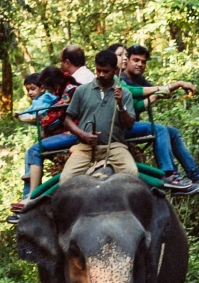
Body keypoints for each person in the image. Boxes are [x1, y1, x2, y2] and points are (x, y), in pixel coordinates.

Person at [122, 43, 199, 192]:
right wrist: (164, 91)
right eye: (136, 60)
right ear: (127, 61)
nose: (140, 64)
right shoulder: (122, 80)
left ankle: (195, 175)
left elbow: (160, 90)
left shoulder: (139, 80)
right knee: (160, 130)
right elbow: (138, 104)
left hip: (133, 124)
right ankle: (170, 175)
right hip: (123, 126)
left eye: (143, 62)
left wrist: (167, 90)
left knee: (173, 132)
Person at [57, 47, 139, 184]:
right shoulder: (82, 91)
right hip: (84, 148)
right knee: (65, 180)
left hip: (114, 147)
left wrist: (120, 105)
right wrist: (83, 135)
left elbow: (129, 125)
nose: (101, 74)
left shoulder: (124, 93)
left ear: (115, 70)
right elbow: (67, 120)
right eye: (98, 70)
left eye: (106, 71)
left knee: (132, 174)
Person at [9, 68, 76, 211]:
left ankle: (32, 196)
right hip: (69, 131)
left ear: (54, 85)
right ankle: (29, 193)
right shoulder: (65, 91)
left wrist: (26, 117)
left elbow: (50, 116)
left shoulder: (69, 92)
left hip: (74, 133)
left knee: (34, 150)